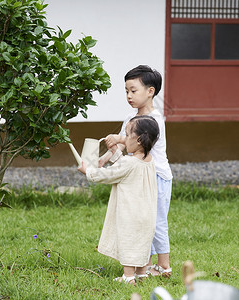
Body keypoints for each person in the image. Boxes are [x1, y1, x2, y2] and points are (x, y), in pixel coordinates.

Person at [99, 65, 173, 277]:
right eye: (126, 91)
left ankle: (164, 266)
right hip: (139, 177)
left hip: (156, 177)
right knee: (141, 219)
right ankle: (145, 264)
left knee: (156, 220)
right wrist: (105, 158)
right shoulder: (130, 118)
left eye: (134, 90)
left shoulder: (155, 119)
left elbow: (138, 139)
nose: (129, 95)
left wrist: (120, 138)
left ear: (150, 91)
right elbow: (124, 143)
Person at [78, 115, 160, 285]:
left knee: (129, 242)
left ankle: (128, 277)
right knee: (142, 242)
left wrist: (88, 171)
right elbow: (124, 166)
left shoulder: (129, 164)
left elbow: (108, 174)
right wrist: (116, 152)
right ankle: (142, 274)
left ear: (138, 140)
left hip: (130, 215)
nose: (124, 138)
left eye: (127, 135)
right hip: (147, 215)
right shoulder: (149, 161)